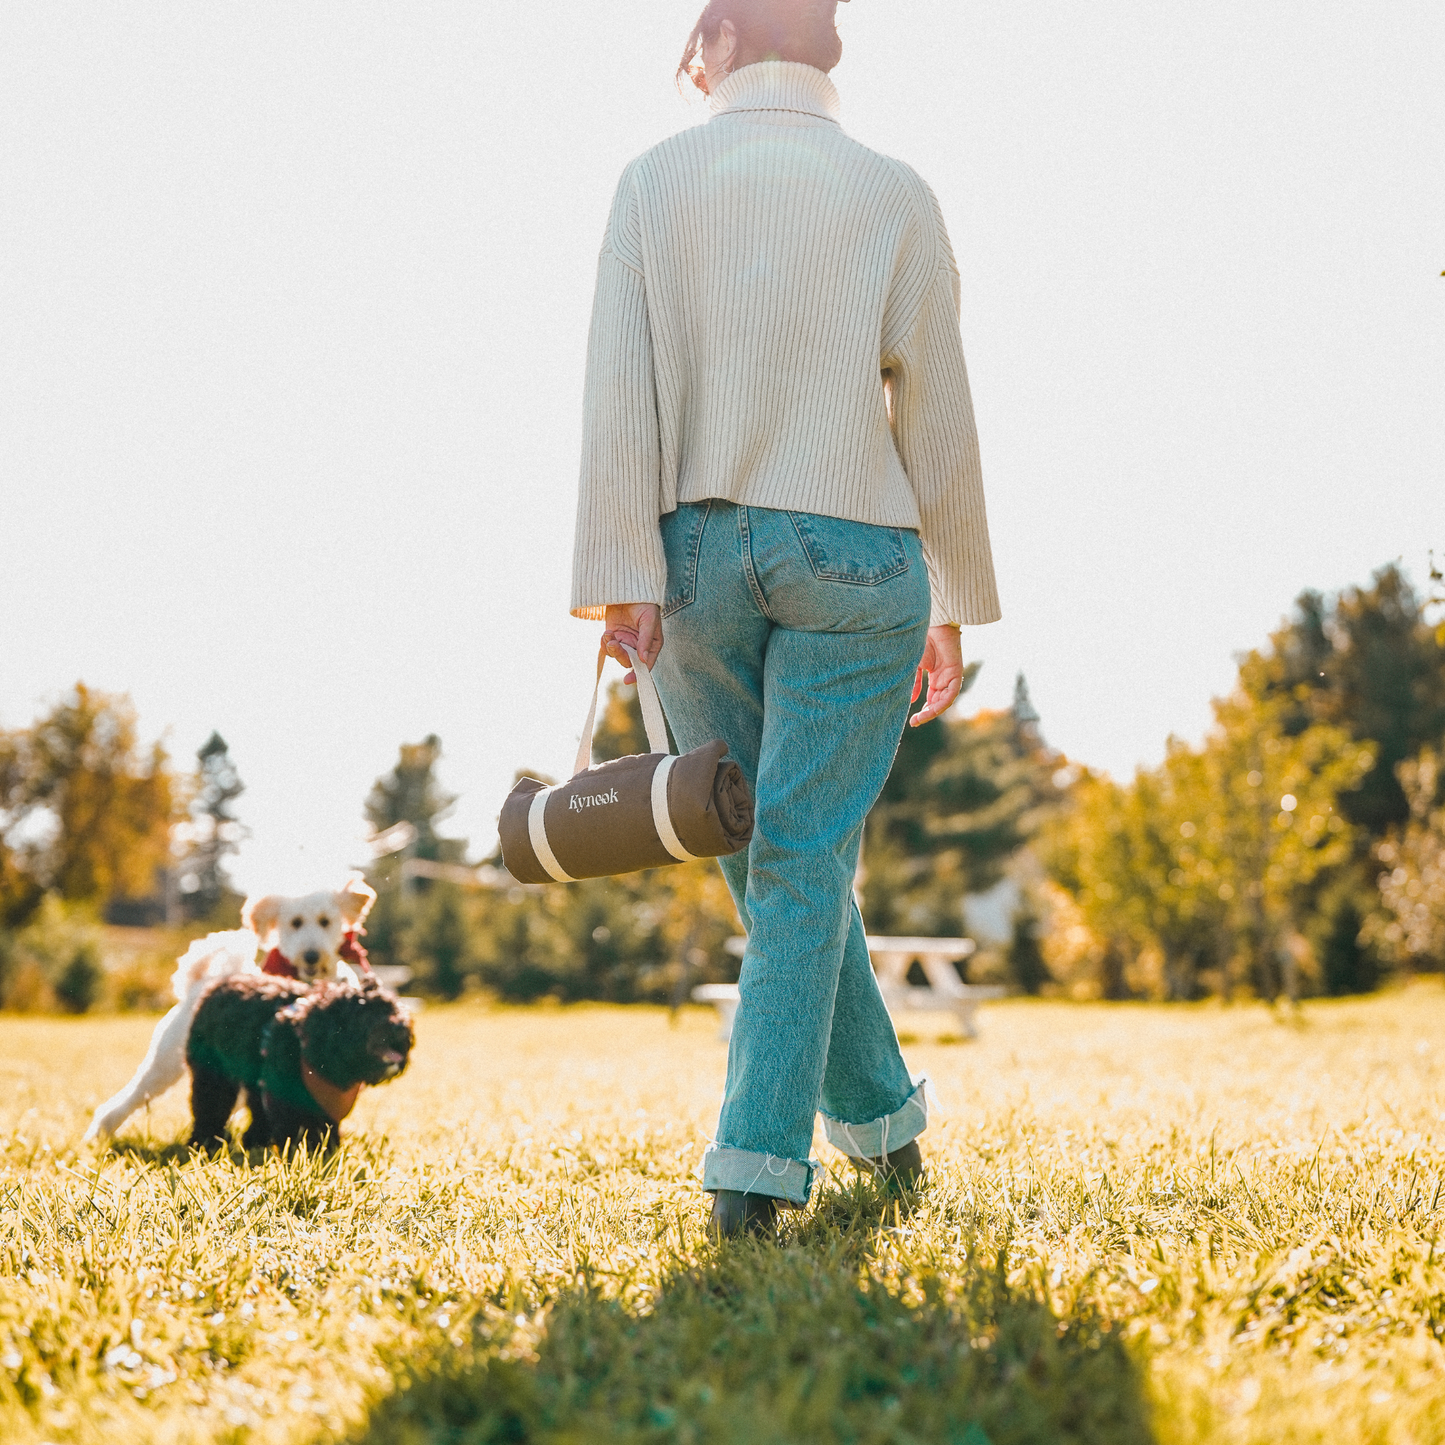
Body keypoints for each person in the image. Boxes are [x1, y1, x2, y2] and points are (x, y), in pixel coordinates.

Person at [570, 0, 1000, 1238]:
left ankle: (754, 1169)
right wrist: (954, 601)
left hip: (693, 552)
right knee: (797, 862)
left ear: (711, 45)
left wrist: (619, 570)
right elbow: (939, 408)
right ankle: (879, 1128)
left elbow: (618, 383)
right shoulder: (892, 187)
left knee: (771, 857)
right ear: (827, 52)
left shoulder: (650, 180)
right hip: (858, 552)